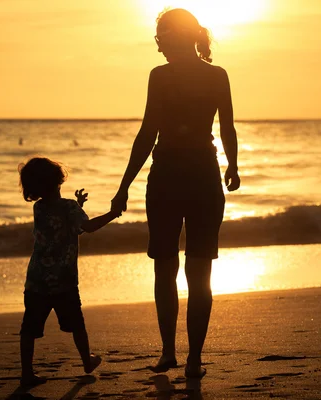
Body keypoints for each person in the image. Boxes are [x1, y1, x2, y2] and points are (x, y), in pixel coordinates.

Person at [111, 8, 241, 379]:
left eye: (160, 39)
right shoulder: (215, 75)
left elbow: (148, 132)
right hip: (202, 173)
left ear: (176, 36)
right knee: (197, 272)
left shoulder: (162, 77)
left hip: (169, 175)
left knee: (166, 267)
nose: (159, 48)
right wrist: (232, 165)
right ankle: (190, 358)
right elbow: (227, 128)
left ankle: (173, 353)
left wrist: (124, 188)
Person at [18, 157, 121, 386]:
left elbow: (61, 226)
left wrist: (78, 207)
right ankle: (87, 361)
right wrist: (113, 213)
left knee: (30, 328)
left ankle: (27, 373)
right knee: (77, 324)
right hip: (63, 280)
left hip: (37, 279)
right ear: (58, 180)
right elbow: (87, 227)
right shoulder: (68, 207)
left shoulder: (39, 207)